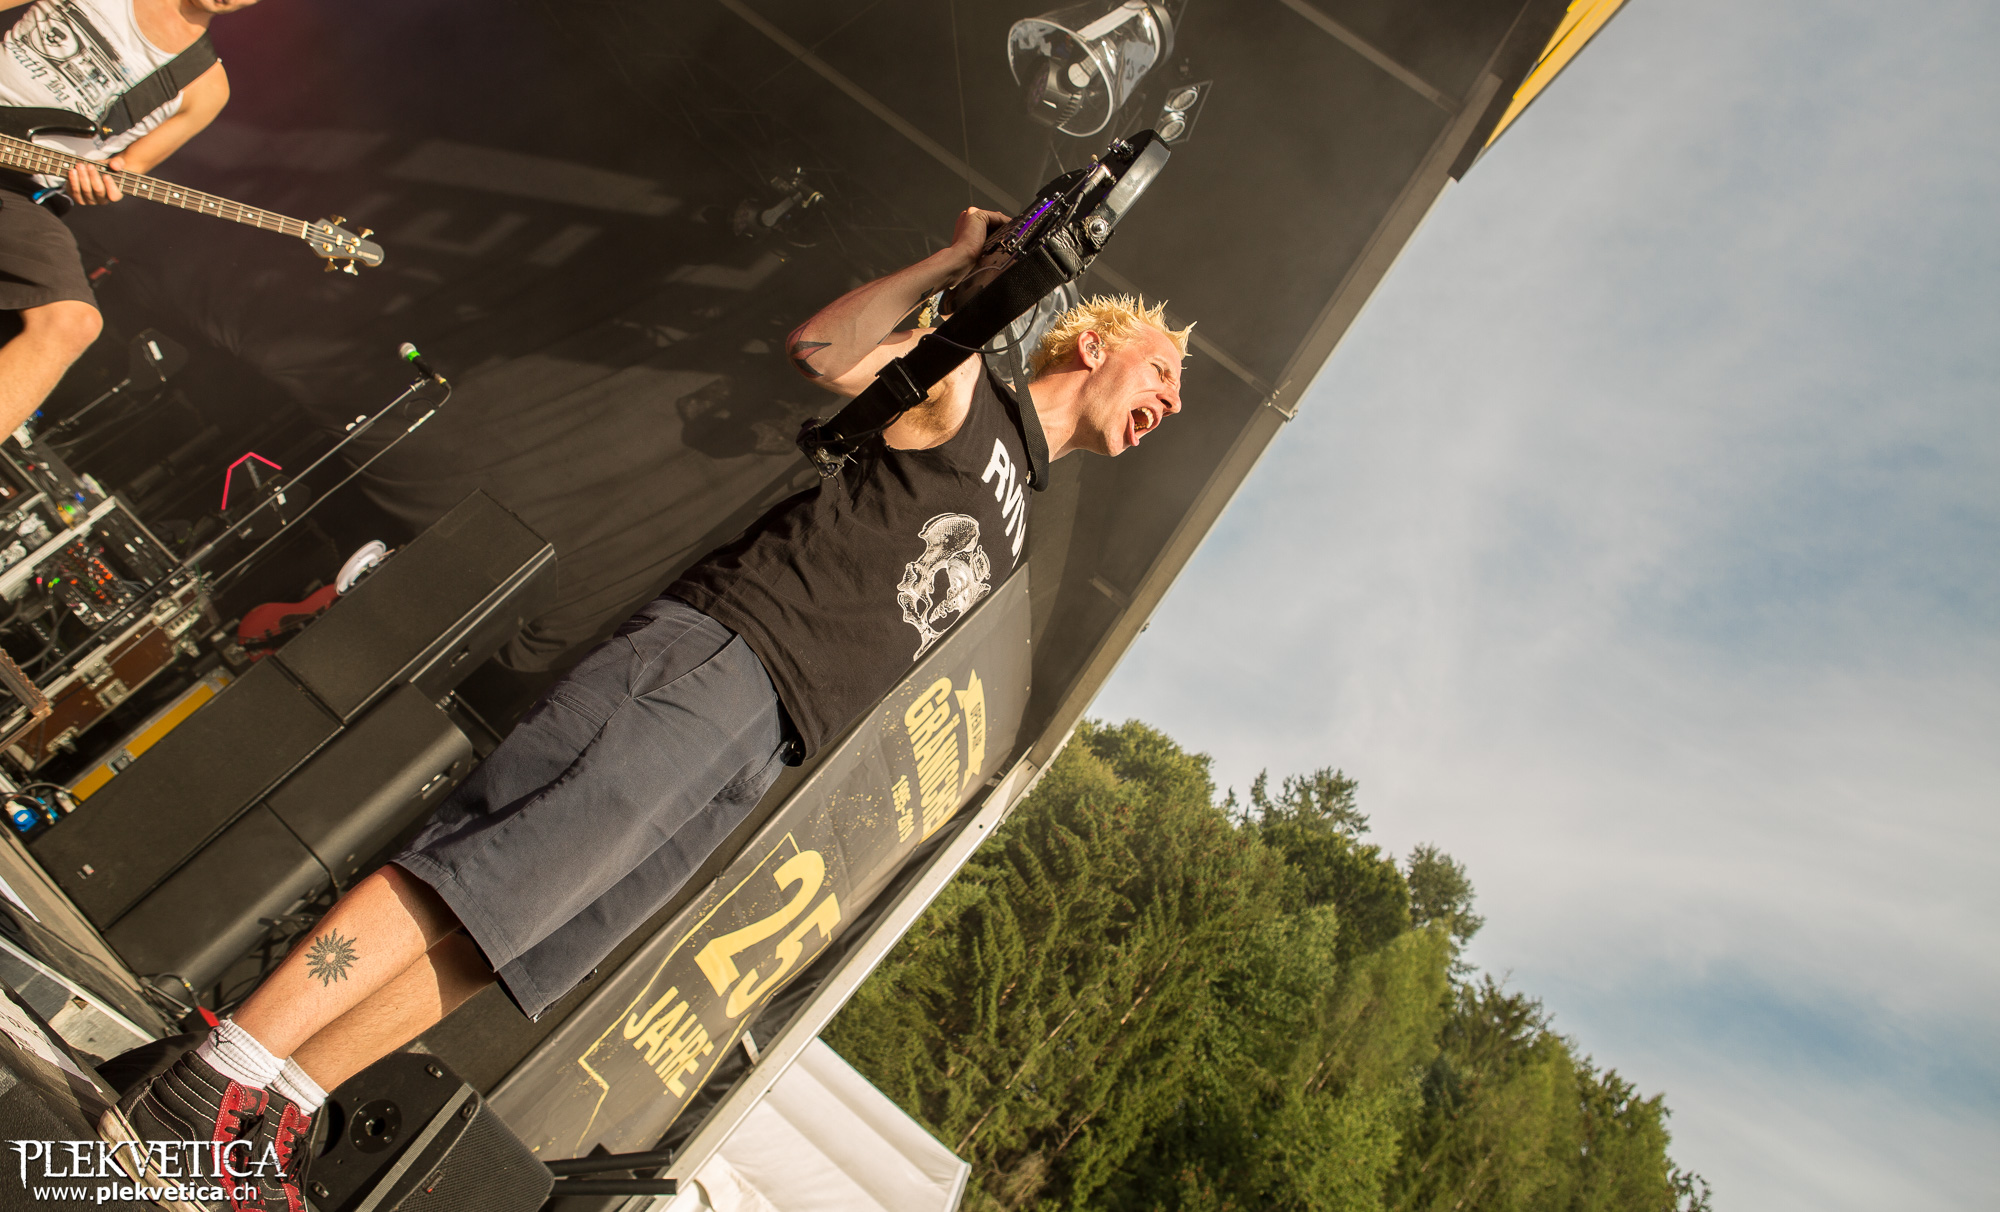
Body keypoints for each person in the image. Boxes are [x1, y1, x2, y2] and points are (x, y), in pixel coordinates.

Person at [115, 205, 1191, 1210]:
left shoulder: (1024, 509)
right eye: (1162, 369)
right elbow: (824, 353)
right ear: (1092, 345)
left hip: (774, 736)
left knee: (519, 935)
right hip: (724, 659)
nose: (1173, 402)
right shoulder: (971, 387)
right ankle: (213, 1072)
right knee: (485, 865)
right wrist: (955, 266)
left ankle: (279, 1104)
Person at [0, 0, 252, 436]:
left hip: (19, 191)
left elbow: (126, 169)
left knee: (74, 323)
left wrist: (101, 186)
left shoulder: (206, 87)